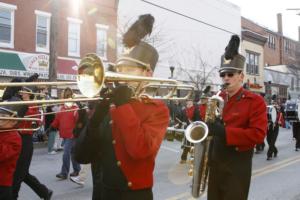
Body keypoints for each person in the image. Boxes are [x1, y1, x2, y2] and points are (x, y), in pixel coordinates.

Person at [74, 14, 170, 200]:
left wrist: (123, 105)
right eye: (120, 69)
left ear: (147, 73)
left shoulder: (157, 110)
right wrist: (95, 119)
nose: (122, 75)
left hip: (133, 195)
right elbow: (82, 156)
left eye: (130, 69)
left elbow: (140, 150)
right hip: (102, 192)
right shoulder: (110, 105)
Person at [207, 35, 267, 200]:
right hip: (216, 161)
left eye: (231, 74)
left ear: (241, 76)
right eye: (223, 74)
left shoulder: (255, 101)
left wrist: (225, 133)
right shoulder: (218, 98)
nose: (226, 78)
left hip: (237, 165)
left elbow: (258, 134)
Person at [12, 86, 53, 200]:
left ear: (29, 95)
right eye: (22, 93)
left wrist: (23, 106)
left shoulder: (32, 106)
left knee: (19, 173)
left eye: (24, 93)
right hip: (18, 137)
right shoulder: (19, 104)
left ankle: (13, 195)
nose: (22, 94)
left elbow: (36, 121)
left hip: (26, 140)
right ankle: (44, 192)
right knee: (22, 173)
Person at [47, 87, 81, 179]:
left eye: (68, 95)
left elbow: (79, 122)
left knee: (66, 153)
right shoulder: (61, 108)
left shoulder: (75, 108)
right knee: (73, 153)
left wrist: (77, 133)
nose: (66, 97)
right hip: (65, 135)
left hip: (72, 135)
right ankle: (77, 170)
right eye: (65, 95)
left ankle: (64, 172)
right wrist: (50, 128)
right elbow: (57, 120)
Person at [0, 106, 22, 200]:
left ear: (13, 120)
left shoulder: (15, 138)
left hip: (2, 184)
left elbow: (1, 155)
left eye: (4, 116)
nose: (0, 118)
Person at [180, 99, 200, 163]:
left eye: (190, 104)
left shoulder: (196, 110)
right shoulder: (184, 110)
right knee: (186, 144)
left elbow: (198, 120)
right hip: (187, 129)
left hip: (193, 129)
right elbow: (181, 118)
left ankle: (192, 158)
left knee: (193, 145)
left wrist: (193, 122)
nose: (188, 105)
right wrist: (182, 122)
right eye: (187, 104)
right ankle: (183, 158)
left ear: (192, 104)